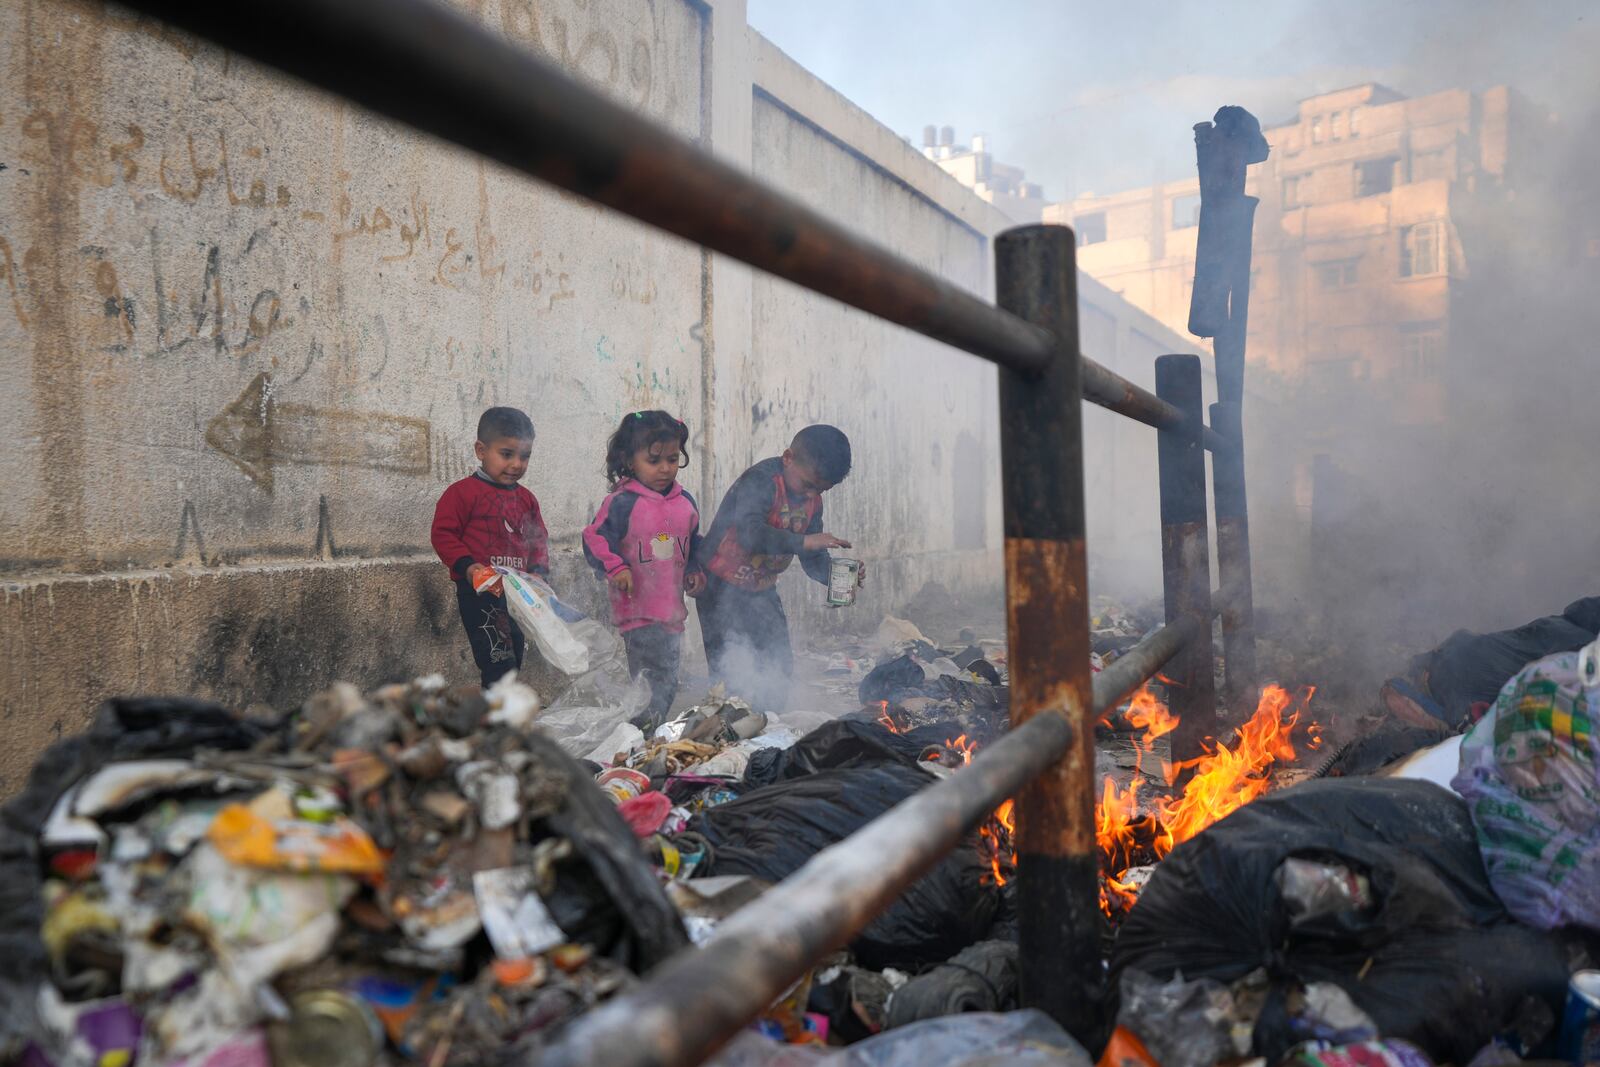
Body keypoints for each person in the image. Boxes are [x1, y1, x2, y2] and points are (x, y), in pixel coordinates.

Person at [694, 424, 860, 710]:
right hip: (719, 586)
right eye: (808, 485)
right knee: (730, 673)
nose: (811, 495)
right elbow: (750, 533)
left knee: (779, 664)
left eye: (820, 490)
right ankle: (727, 731)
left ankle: (769, 728)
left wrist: (837, 577)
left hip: (761, 588)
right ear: (787, 458)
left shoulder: (812, 502)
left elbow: (812, 558)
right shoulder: (761, 481)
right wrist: (805, 541)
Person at [582, 411, 704, 727]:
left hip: (673, 612)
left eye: (672, 459)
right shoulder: (623, 503)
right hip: (637, 612)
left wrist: (694, 570)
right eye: (654, 460)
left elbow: (692, 542)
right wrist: (616, 568)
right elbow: (594, 539)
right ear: (630, 460)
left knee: (668, 679)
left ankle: (648, 731)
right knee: (648, 680)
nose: (665, 468)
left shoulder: (685, 502)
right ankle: (642, 732)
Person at [430, 407, 548, 688]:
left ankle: (497, 714)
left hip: (519, 595)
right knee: (498, 660)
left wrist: (539, 574)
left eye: (525, 456)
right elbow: (443, 535)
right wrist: (469, 568)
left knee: (516, 654)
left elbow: (538, 540)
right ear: (481, 450)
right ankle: (495, 719)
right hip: (482, 594)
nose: (517, 464)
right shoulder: (462, 494)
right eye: (507, 454)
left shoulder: (527, 500)